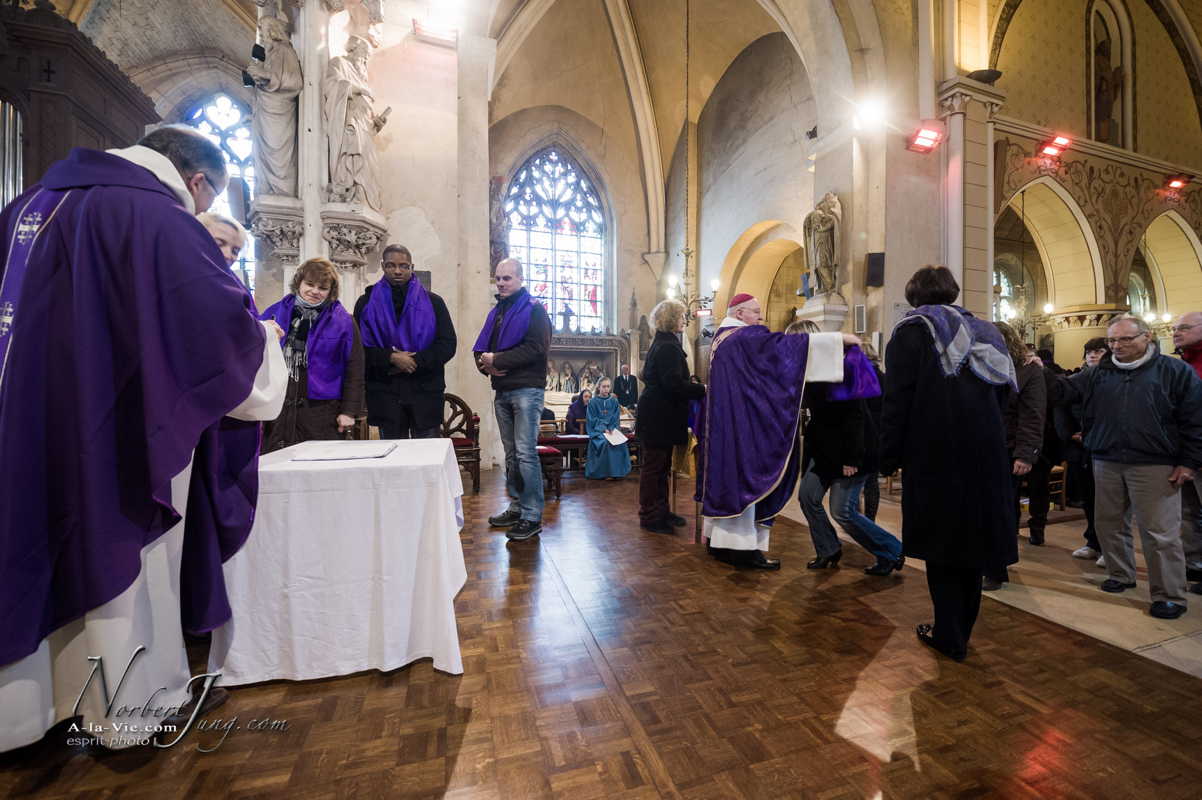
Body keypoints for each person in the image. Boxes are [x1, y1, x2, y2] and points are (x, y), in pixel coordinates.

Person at [0, 125, 288, 752]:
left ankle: (21, 711)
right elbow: (221, 336)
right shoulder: (155, 217)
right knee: (119, 549)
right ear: (197, 180)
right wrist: (268, 343)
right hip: (117, 436)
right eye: (208, 203)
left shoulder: (21, 209)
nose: (202, 213)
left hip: (20, 427)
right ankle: (119, 707)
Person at [880, 266, 1017, 662]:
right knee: (972, 544)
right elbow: (1004, 396)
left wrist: (887, 456)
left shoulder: (914, 331)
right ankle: (960, 630)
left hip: (936, 451)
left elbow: (897, 400)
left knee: (942, 547)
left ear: (913, 296)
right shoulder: (986, 331)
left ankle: (948, 634)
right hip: (985, 454)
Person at [699, 293, 867, 570]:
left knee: (729, 482)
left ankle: (722, 544)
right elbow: (782, 347)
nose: (760, 319)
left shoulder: (723, 339)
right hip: (741, 431)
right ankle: (743, 551)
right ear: (740, 313)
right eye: (755, 313)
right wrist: (836, 340)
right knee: (745, 481)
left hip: (727, 429)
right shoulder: (742, 338)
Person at [1057, 314, 1202, 619]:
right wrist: (1030, 371)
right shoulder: (1100, 372)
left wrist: (1189, 461)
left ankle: (1169, 595)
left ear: (1146, 337)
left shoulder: (1173, 371)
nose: (1117, 346)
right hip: (1106, 458)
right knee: (1109, 523)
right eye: (1112, 340)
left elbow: (1194, 419)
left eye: (1125, 339)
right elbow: (1064, 390)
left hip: (1155, 463)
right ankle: (1121, 574)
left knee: (1160, 533)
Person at [796, 340, 900, 576]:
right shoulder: (813, 372)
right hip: (824, 452)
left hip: (852, 452)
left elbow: (855, 418)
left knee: (842, 511)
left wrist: (851, 459)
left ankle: (891, 550)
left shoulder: (842, 372)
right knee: (807, 496)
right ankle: (829, 548)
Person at [475, 258, 552, 542]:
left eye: (507, 278)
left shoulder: (534, 310)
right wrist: (485, 365)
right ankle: (518, 507)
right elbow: (481, 347)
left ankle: (532, 515)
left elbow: (536, 348)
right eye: (498, 278)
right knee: (510, 454)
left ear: (520, 278)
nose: (502, 283)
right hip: (503, 389)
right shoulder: (497, 312)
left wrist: (499, 359)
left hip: (527, 390)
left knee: (525, 453)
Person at [260, 257, 365, 452]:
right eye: (309, 284)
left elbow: (355, 369)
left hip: (321, 411)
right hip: (279, 408)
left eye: (322, 287)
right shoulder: (274, 313)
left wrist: (349, 411)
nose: (315, 291)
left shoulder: (344, 322)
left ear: (330, 291)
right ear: (298, 282)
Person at [354, 245, 456, 439]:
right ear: (383, 266)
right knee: (393, 459)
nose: (398, 271)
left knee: (427, 459)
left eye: (404, 266)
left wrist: (413, 361)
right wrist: (391, 357)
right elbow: (357, 350)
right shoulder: (365, 303)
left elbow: (447, 344)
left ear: (412, 267)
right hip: (386, 391)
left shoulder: (434, 302)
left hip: (424, 390)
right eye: (391, 265)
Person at [984, 321, 1045, 591]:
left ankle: (997, 567)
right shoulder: (981, 363)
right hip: (980, 448)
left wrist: (1025, 454)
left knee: (1003, 508)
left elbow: (1032, 415)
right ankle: (982, 560)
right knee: (981, 508)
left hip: (1009, 450)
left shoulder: (1029, 370)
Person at [637, 299, 706, 534]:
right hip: (658, 416)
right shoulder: (667, 347)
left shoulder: (664, 343)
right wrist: (702, 390)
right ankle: (650, 515)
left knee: (661, 467)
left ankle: (662, 511)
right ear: (671, 319)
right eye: (681, 315)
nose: (685, 319)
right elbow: (673, 384)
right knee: (654, 467)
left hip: (659, 414)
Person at [1059, 337, 1109, 561]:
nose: (1092, 355)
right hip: (1081, 447)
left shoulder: (1112, 379)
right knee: (1089, 497)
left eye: (1098, 351)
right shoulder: (1077, 380)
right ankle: (1093, 541)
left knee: (1108, 500)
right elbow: (1061, 406)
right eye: (1089, 351)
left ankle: (1109, 548)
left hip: (1106, 446)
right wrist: (1070, 432)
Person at [1171, 312, 1202, 590]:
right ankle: (1195, 565)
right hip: (1184, 450)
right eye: (1173, 328)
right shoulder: (1182, 363)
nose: (1176, 332)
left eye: (1183, 328)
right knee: (1189, 511)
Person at [585, 378, 631, 480]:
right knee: (606, 443)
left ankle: (618, 473)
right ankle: (606, 473)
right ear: (599, 387)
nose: (606, 389)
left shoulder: (614, 401)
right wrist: (603, 428)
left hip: (611, 430)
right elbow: (592, 419)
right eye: (604, 386)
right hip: (597, 431)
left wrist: (611, 428)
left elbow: (615, 417)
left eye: (608, 386)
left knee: (621, 443)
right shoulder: (592, 402)